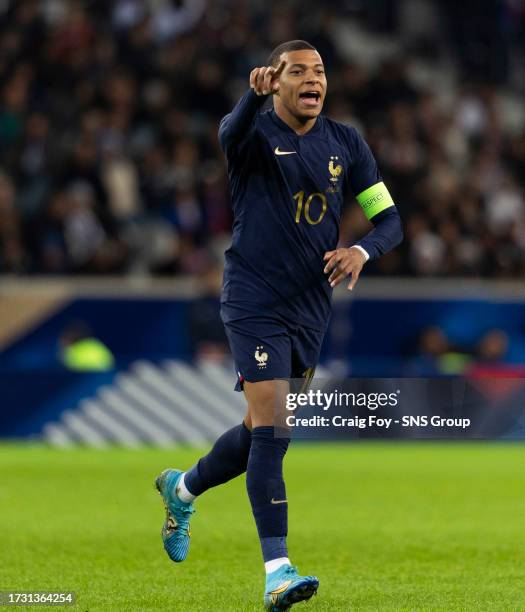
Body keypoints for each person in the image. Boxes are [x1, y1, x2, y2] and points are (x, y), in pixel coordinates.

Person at [155, 40, 403, 610]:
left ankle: (183, 487)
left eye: (319, 70)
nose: (313, 79)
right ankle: (277, 570)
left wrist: (362, 251)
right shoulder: (254, 135)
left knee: (257, 431)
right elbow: (227, 135)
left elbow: (388, 218)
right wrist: (250, 96)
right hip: (252, 297)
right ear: (277, 80)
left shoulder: (347, 143)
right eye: (299, 71)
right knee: (274, 428)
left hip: (309, 306)